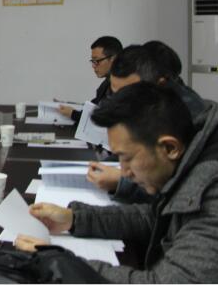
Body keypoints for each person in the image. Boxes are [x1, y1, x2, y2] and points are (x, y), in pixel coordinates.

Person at [15, 82, 218, 283]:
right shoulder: (188, 162)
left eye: (127, 158)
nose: (124, 172)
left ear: (170, 148)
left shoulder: (211, 194)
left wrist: (59, 263)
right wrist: (74, 219)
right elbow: (155, 218)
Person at [86, 43, 216, 199]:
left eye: (129, 94)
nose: (121, 103)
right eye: (116, 94)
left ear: (158, 85)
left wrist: (122, 181)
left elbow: (179, 192)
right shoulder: (155, 105)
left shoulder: (188, 119)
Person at [58, 36, 122, 121]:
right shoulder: (107, 83)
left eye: (97, 61)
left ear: (113, 59)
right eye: (92, 61)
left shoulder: (124, 87)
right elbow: (94, 106)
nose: (93, 66)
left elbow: (103, 119)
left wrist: (73, 114)